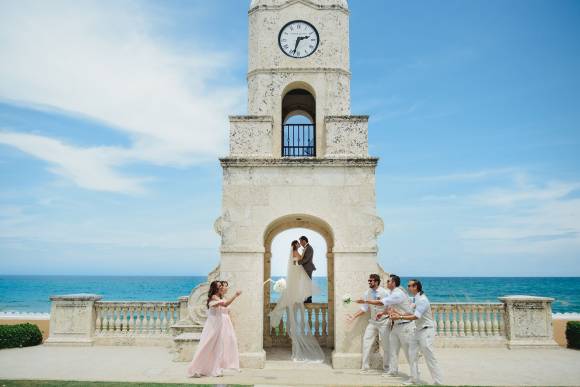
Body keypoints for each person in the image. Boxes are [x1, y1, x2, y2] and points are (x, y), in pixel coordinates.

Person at [269, 240, 325, 362]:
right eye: (298, 243)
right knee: (304, 289)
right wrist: (301, 258)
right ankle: (296, 346)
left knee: (300, 292)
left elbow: (299, 261)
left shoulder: (296, 251)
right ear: (296, 245)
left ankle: (296, 344)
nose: (300, 244)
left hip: (296, 274)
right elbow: (299, 261)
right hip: (297, 273)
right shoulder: (295, 251)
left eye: (300, 243)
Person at [357, 274, 417, 383]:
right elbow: (390, 307)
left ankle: (414, 377)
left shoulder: (397, 294)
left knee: (409, 353)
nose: (386, 283)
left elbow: (382, 302)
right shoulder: (393, 293)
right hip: (396, 325)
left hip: (405, 325)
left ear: (393, 283)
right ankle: (392, 371)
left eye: (388, 281)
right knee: (392, 350)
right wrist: (383, 312)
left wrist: (366, 301)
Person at [390, 280, 443, 385]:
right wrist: (396, 313)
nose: (408, 287)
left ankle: (438, 382)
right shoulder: (416, 298)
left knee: (429, 357)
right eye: (408, 285)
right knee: (411, 354)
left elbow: (415, 316)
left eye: (409, 286)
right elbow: (409, 312)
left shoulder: (423, 300)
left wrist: (399, 316)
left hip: (426, 331)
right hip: (417, 331)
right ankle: (414, 379)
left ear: (416, 287)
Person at [187, 280, 242, 378]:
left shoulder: (219, 297)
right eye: (219, 286)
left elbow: (225, 309)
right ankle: (194, 369)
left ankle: (215, 369)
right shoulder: (213, 298)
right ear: (215, 288)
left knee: (217, 348)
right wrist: (235, 295)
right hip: (212, 326)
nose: (221, 287)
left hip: (218, 326)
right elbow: (224, 304)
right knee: (206, 346)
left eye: (221, 285)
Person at [347, 274, 391, 374]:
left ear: (376, 282)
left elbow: (386, 305)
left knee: (386, 345)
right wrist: (353, 317)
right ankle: (365, 367)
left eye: (371, 281)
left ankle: (387, 368)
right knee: (366, 342)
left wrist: (387, 315)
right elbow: (364, 308)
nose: (369, 282)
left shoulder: (385, 292)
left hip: (384, 322)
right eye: (369, 281)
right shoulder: (367, 293)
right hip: (373, 322)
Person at [298, 236, 316, 303]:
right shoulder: (306, 248)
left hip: (308, 268)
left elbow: (306, 259)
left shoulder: (309, 248)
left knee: (308, 283)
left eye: (300, 241)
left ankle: (309, 299)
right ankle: (307, 298)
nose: (300, 243)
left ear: (304, 241)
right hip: (305, 268)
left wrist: (298, 262)